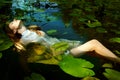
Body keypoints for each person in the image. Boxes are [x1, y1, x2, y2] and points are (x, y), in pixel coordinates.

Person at [4, 19, 120, 63]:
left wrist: (69, 43)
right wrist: (26, 71)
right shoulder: (23, 41)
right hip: (62, 55)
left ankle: (111, 62)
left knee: (93, 51)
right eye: (12, 22)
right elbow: (25, 58)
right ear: (14, 31)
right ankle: (118, 61)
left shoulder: (33, 30)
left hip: (64, 44)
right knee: (93, 43)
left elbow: (52, 40)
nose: (14, 19)